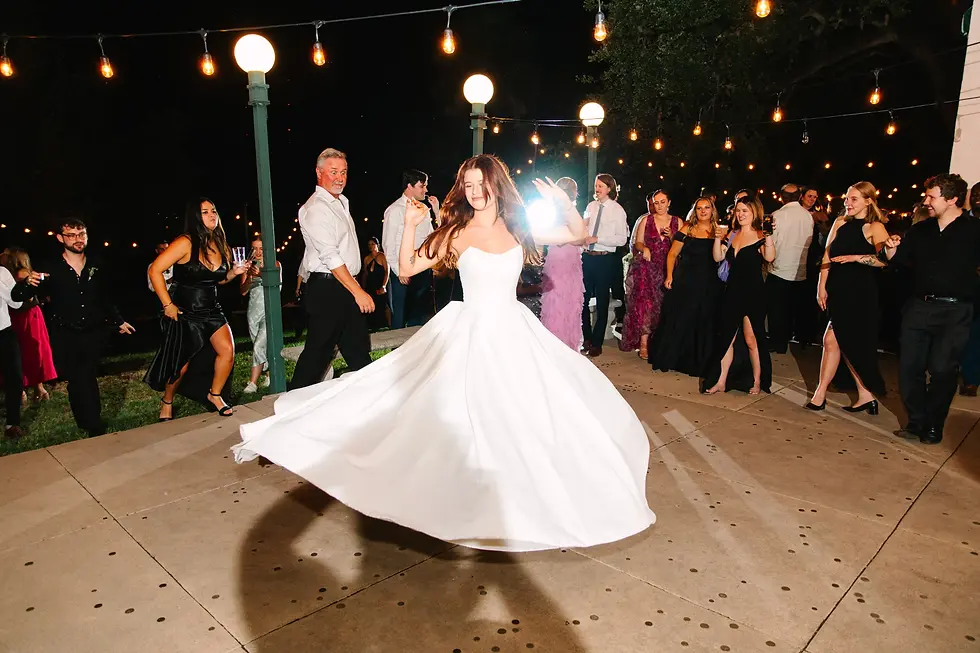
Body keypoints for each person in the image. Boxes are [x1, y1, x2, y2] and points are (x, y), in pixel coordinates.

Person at [235, 155, 655, 552]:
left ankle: (512, 498)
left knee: (523, 416)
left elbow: (579, 235)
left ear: (497, 185)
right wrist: (411, 227)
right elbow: (406, 270)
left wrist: (563, 202)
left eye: (481, 184)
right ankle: (465, 498)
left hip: (513, 333)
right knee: (459, 417)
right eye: (467, 185)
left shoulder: (518, 228)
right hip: (470, 332)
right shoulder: (457, 232)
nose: (474, 192)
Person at [11, 218, 136, 437]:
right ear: (60, 238)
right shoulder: (50, 267)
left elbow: (104, 297)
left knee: (85, 375)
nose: (77, 239)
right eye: (71, 235)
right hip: (64, 331)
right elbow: (17, 297)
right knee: (79, 377)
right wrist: (27, 284)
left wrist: (118, 320)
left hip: (93, 330)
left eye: (81, 234)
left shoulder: (96, 263)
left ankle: (90, 423)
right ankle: (90, 422)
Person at [884, 174, 980, 444]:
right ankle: (916, 421)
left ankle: (934, 425)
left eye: (932, 197)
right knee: (909, 368)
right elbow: (900, 263)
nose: (926, 201)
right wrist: (891, 250)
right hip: (918, 307)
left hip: (955, 311)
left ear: (952, 199)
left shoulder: (974, 230)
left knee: (942, 370)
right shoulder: (921, 230)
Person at [145, 199, 248, 419]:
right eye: (205, 212)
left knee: (227, 352)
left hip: (212, 309)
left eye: (214, 210)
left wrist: (234, 273)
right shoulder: (185, 242)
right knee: (181, 365)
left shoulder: (220, 243)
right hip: (185, 311)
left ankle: (215, 394)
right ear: (195, 216)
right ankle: (167, 400)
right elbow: (155, 270)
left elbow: (219, 280)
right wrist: (168, 305)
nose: (212, 215)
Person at [290, 148, 374, 390]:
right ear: (319, 173)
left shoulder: (340, 203)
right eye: (333, 172)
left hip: (342, 286)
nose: (340, 178)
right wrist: (357, 290)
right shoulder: (316, 208)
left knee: (358, 352)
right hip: (328, 288)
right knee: (317, 355)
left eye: (344, 172)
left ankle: (373, 404)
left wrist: (354, 288)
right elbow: (329, 255)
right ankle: (290, 408)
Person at [805, 182, 889, 413]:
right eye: (847, 198)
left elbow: (885, 260)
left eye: (853, 199)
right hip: (839, 290)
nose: (847, 203)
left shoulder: (876, 227)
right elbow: (827, 255)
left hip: (862, 293)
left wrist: (856, 257)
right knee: (838, 341)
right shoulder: (840, 223)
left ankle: (820, 394)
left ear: (868, 201)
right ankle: (865, 395)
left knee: (836, 341)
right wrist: (821, 286)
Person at [701, 197, 775, 395]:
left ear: (754, 213)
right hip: (732, 291)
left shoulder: (760, 235)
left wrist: (768, 236)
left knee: (752, 339)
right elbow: (717, 257)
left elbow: (769, 257)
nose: (741, 214)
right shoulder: (733, 234)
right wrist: (718, 237)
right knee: (727, 338)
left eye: (745, 211)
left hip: (754, 293)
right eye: (739, 211)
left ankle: (757, 381)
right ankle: (721, 381)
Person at [649, 197, 724, 376]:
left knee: (703, 320)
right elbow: (672, 254)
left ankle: (698, 362)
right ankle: (673, 358)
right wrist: (669, 276)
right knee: (680, 318)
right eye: (699, 208)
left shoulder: (719, 231)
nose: (703, 211)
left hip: (708, 282)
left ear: (712, 210)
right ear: (695, 211)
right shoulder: (687, 228)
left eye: (707, 208)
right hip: (685, 280)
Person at [621, 190, 679, 358]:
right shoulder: (646, 220)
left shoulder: (677, 221)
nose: (659, 205)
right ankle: (644, 343)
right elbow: (637, 242)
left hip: (667, 267)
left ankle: (659, 341)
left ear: (669, 203)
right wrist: (644, 248)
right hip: (647, 267)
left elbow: (684, 245)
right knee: (646, 304)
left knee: (663, 305)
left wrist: (672, 236)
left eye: (662, 202)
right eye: (656, 202)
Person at [382, 170, 438, 329]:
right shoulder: (394, 210)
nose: (426, 190)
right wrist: (399, 270)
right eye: (422, 186)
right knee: (399, 315)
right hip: (401, 271)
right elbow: (388, 244)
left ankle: (417, 352)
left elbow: (430, 239)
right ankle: (398, 352)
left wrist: (436, 211)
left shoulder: (424, 210)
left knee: (419, 316)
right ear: (409, 186)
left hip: (421, 270)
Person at [581, 173, 629, 357]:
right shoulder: (590, 207)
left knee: (602, 301)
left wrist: (598, 239)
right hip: (588, 257)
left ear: (609, 188)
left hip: (605, 258)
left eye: (601, 185)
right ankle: (586, 337)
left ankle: (597, 342)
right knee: (583, 299)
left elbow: (621, 239)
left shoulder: (618, 210)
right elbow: (584, 227)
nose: (597, 188)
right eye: (596, 185)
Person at [1, 248, 56, 404]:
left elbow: (27, 298)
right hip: (16, 316)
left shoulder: (22, 274)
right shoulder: (9, 274)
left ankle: (34, 389)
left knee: (31, 350)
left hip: (26, 316)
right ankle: (28, 389)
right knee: (21, 352)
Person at [767, 184, 814, 354]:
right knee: (792, 308)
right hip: (799, 269)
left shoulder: (777, 215)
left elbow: (772, 242)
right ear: (799, 196)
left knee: (777, 309)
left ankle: (777, 342)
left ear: (781, 197)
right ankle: (791, 338)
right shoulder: (807, 216)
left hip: (780, 268)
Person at [540, 177, 586, 350]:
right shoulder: (569, 212)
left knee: (559, 300)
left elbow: (580, 239)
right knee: (564, 301)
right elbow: (581, 238)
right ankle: (564, 345)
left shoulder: (560, 211)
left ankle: (557, 344)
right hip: (562, 259)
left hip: (563, 259)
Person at [241, 233, 282, 394]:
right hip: (253, 311)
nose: (258, 252)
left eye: (261, 248)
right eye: (255, 248)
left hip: (269, 310)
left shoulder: (275, 264)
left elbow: (277, 286)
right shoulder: (249, 266)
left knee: (259, 344)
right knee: (259, 344)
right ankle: (269, 374)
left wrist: (260, 274)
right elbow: (243, 291)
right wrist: (250, 276)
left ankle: (253, 382)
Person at [0, 258, 25, 438]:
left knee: (14, 377)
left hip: (4, 331)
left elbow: (17, 303)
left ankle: (12, 423)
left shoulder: (2, 272)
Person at [359, 237, 390, 330]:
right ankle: (372, 326)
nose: (371, 246)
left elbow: (387, 272)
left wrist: (384, 285)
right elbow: (365, 274)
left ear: (377, 245)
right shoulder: (367, 258)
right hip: (370, 284)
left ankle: (387, 325)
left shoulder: (382, 256)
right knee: (371, 305)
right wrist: (363, 288)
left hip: (380, 283)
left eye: (373, 244)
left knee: (383, 305)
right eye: (369, 244)